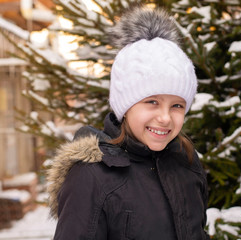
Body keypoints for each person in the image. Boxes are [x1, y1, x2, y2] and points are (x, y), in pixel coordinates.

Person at [46, 4, 210, 240]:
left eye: (177, 106)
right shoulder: (92, 177)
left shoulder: (186, 162)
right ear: (125, 106)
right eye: (152, 102)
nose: (165, 118)